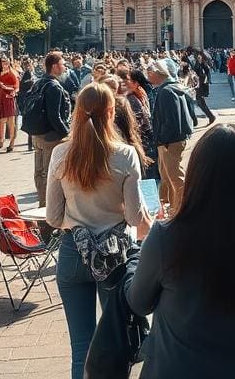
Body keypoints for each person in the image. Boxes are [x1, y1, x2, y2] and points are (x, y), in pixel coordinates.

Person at [127, 123, 235, 379]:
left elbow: (139, 302)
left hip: (175, 369)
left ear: (196, 174)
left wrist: (137, 254)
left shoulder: (166, 237)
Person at [45, 83, 149, 379]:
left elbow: (53, 217)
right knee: (116, 343)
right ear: (112, 112)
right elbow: (132, 216)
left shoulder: (61, 153)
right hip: (114, 257)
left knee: (81, 347)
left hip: (73, 251)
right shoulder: (126, 155)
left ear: (76, 112)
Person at [24, 52, 72, 207]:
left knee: (39, 172)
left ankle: (42, 203)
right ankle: (48, 208)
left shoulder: (39, 82)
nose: (65, 67)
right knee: (49, 174)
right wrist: (68, 134)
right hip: (50, 137)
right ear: (54, 66)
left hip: (37, 134)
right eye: (63, 64)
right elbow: (55, 117)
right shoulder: (54, 87)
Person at [148, 59, 197, 211]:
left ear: (160, 73)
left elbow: (171, 120)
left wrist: (162, 139)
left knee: (175, 179)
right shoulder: (174, 88)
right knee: (166, 178)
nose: (148, 75)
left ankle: (181, 209)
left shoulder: (166, 92)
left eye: (150, 72)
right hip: (173, 140)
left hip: (170, 142)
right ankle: (167, 207)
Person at [0, 56, 20, 152]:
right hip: (1, 100)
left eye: (5, 62)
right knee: (0, 121)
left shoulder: (12, 73)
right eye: (2, 62)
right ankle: (1, 141)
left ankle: (12, 143)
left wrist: (5, 87)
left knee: (10, 122)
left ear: (8, 62)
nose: (3, 64)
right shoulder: (0, 73)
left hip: (9, 100)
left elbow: (16, 87)